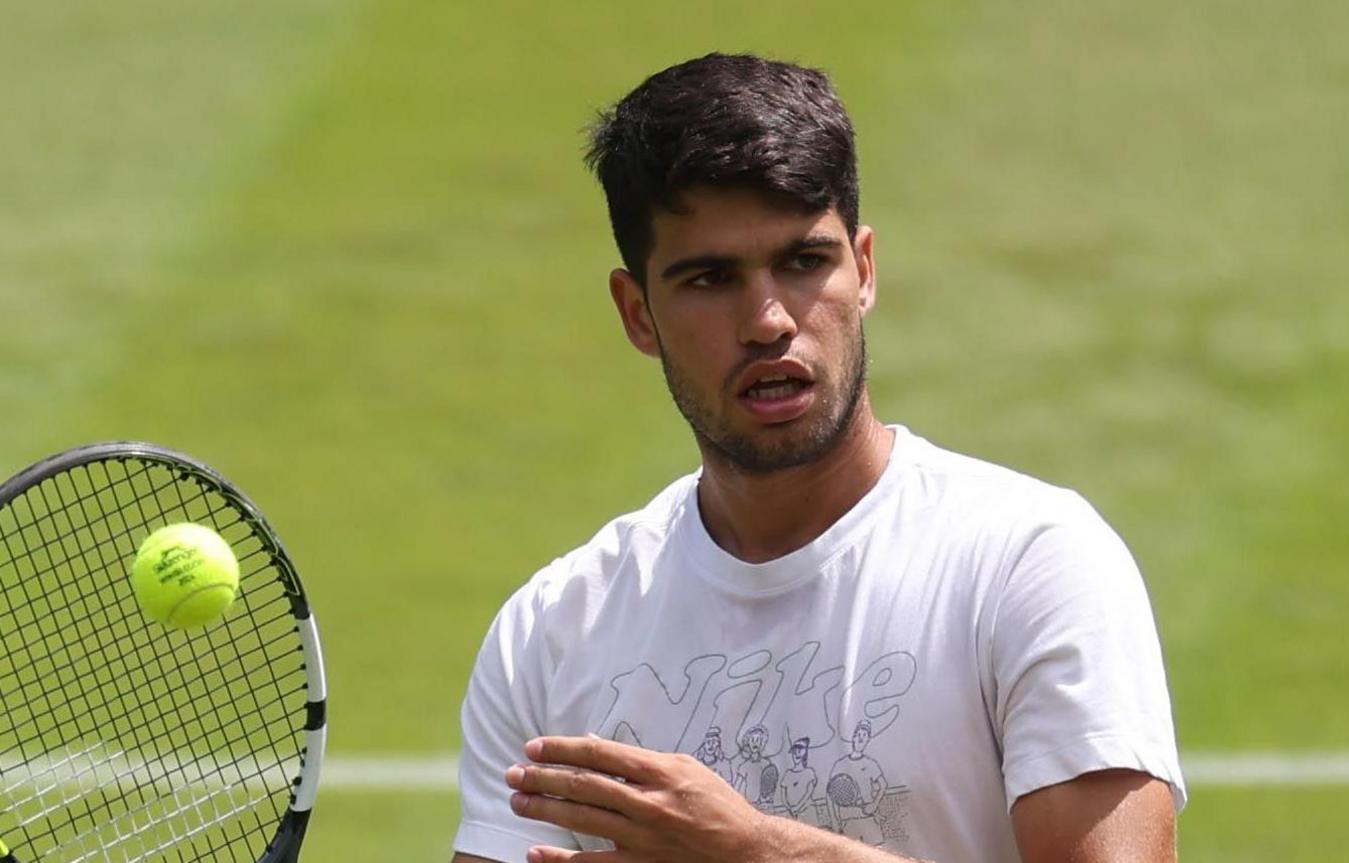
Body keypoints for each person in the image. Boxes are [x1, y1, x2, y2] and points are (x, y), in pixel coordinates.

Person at [452, 52, 1185, 863]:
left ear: (863, 270)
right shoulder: (552, 632)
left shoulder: (1030, 564)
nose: (767, 319)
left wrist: (759, 851)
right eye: (709, 278)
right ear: (638, 314)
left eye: (804, 262)